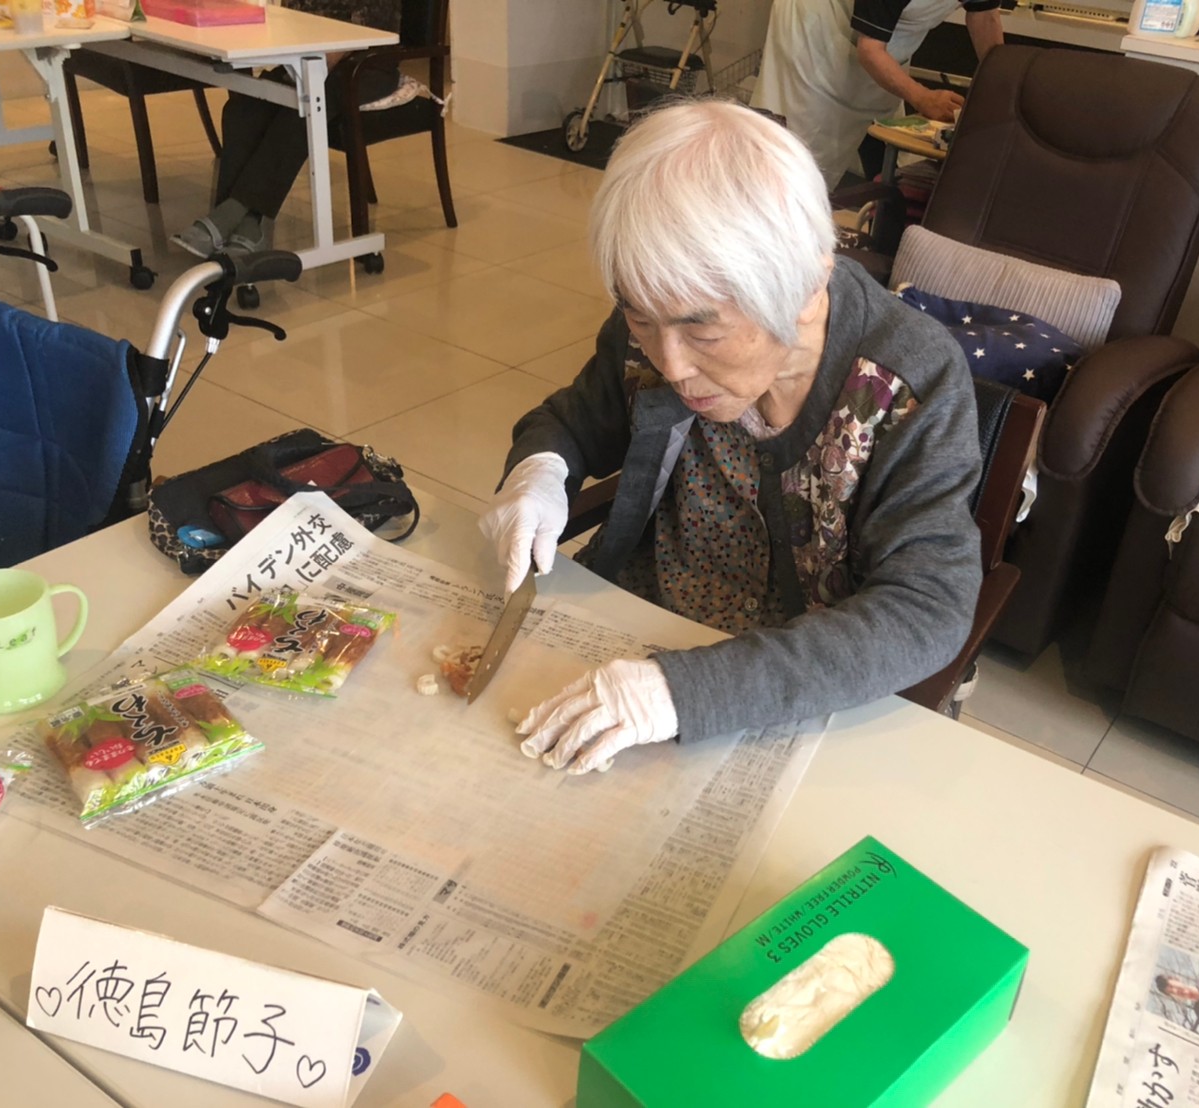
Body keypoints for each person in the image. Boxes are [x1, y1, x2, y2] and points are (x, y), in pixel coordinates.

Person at [478, 100, 982, 776]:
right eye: (640, 317)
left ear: (806, 286)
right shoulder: (660, 315)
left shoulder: (910, 380)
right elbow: (574, 421)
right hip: (635, 636)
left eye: (703, 330)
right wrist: (538, 472)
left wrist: (683, 693)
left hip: (793, 683)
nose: (669, 364)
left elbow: (925, 609)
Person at [170, 0, 402, 257]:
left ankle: (232, 214)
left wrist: (331, 53)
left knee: (301, 109)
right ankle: (245, 224)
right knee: (245, 107)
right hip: (306, 53)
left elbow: (378, 21)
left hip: (365, 62)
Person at [750, 0, 1005, 190]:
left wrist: (1005, 86)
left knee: (893, 158)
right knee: (796, 163)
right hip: (818, 36)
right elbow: (870, 50)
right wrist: (923, 97)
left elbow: (984, 16)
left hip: (887, 41)